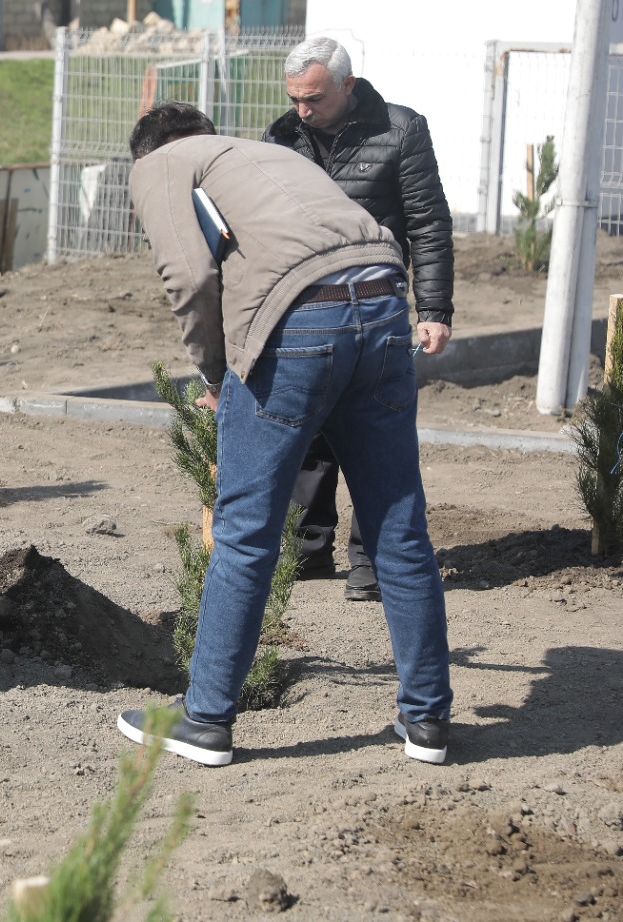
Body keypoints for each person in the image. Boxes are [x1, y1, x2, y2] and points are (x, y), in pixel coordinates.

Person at [115, 104, 452, 766]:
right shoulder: (272, 156)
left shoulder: (162, 163)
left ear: (151, 151)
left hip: (301, 322)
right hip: (385, 302)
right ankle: (428, 721)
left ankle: (205, 718)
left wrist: (218, 373)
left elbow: (188, 277)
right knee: (398, 524)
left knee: (246, 531)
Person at [264, 36, 454, 600]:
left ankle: (372, 564)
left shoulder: (400, 131)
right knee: (311, 432)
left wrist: (434, 309)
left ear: (348, 86)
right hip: (305, 308)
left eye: (314, 98)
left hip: (377, 307)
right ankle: (308, 549)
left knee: (374, 431)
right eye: (295, 97)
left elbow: (429, 224)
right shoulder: (281, 137)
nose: (303, 110)